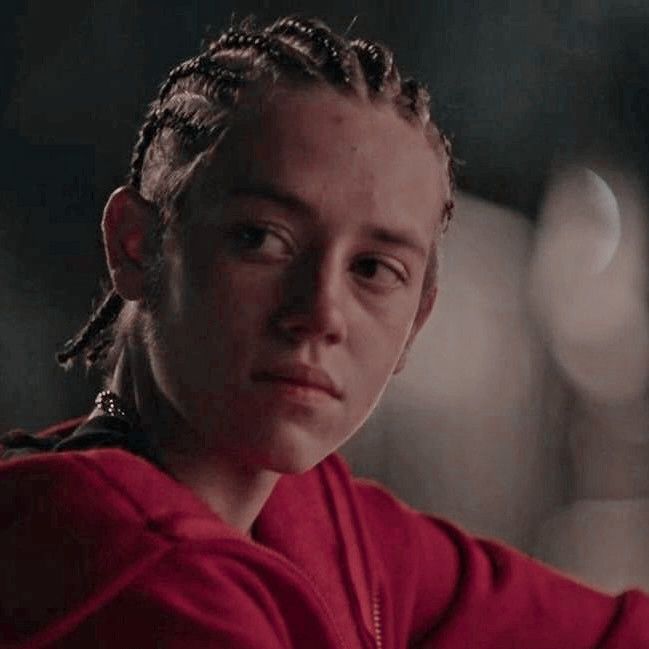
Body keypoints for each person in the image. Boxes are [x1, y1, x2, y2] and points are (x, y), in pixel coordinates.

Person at [1, 14, 647, 648]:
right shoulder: (119, 569)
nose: (320, 311)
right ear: (136, 247)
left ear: (417, 320)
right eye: (261, 238)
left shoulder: (318, 520)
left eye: (373, 269)